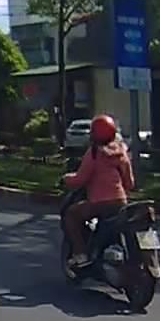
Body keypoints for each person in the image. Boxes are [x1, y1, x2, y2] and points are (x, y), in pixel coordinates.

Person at [63, 114, 134, 268]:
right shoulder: (121, 151)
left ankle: (80, 254)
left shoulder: (95, 153)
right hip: (121, 203)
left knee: (71, 215)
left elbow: (81, 179)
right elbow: (129, 183)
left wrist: (66, 179)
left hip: (99, 203)